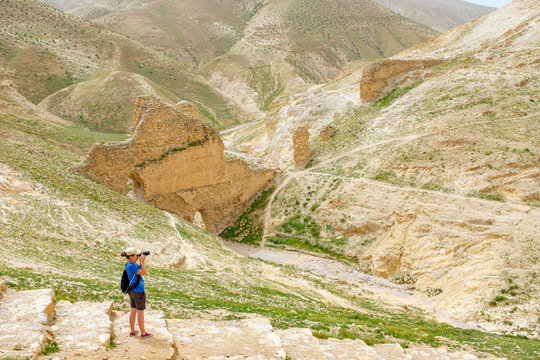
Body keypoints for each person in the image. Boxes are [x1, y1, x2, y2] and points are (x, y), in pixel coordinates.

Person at [121, 247, 152, 339]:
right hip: (138, 292)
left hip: (132, 291)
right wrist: (142, 261)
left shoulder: (130, 263)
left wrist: (140, 260)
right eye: (136, 255)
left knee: (133, 310)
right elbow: (144, 272)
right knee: (140, 313)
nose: (138, 256)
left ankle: (132, 331)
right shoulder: (131, 266)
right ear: (131, 256)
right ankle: (143, 333)